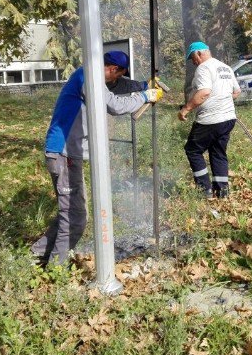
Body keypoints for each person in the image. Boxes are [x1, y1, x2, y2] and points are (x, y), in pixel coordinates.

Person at [31, 51, 162, 267]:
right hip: (63, 155)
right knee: (75, 217)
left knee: (71, 212)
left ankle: (37, 255)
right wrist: (145, 97)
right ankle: (56, 268)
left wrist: (142, 85)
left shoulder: (88, 74)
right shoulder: (89, 78)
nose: (117, 81)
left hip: (66, 154)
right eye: (117, 76)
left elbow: (117, 88)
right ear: (112, 69)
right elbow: (114, 105)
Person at [178, 41, 241, 198]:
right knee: (218, 152)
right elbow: (237, 92)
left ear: (199, 53)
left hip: (210, 120)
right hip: (228, 119)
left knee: (193, 150)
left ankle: (204, 190)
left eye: (192, 58)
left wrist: (185, 109)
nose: (193, 62)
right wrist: (222, 101)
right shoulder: (225, 67)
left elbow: (204, 92)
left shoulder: (204, 68)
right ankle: (222, 192)